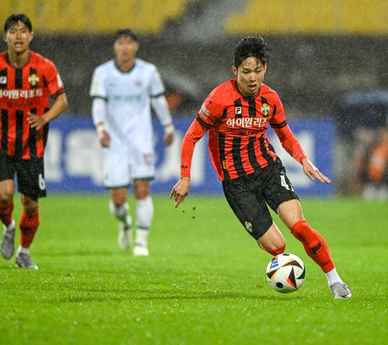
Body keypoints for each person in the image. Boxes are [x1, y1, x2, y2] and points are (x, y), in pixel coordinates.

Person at [170, 36, 352, 299]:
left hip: (268, 170)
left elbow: (286, 135)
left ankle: (335, 282)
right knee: (278, 246)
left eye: (258, 71)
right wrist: (185, 177)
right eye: (246, 72)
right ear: (235, 71)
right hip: (236, 183)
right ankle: (281, 260)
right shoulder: (218, 99)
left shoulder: (271, 99)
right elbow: (191, 136)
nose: (253, 78)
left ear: (265, 68)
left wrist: (303, 159)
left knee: (299, 226)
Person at [0, 13, 68, 269]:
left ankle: (24, 252)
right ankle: (9, 226)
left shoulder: (44, 67)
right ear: (5, 37)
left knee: (30, 203)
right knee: (5, 194)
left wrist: (44, 117)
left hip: (31, 144)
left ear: (31, 36)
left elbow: (62, 100)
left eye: (23, 31)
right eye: (13, 31)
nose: (18, 36)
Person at [90, 29, 174, 256]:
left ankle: (141, 241)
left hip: (141, 140)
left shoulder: (148, 72)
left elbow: (158, 101)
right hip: (114, 142)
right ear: (115, 47)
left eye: (129, 43)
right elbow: (98, 104)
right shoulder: (103, 73)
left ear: (136, 46)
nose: (125, 47)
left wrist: (168, 126)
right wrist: (100, 128)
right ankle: (125, 221)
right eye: (121, 43)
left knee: (142, 189)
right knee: (118, 199)